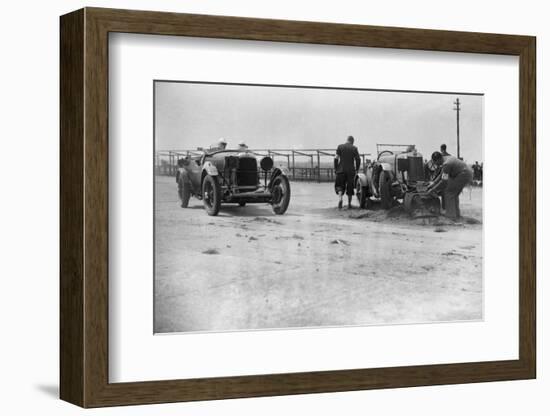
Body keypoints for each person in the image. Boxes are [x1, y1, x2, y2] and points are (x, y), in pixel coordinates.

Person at [427, 151, 473, 220]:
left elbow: (443, 181)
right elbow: (441, 175)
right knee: (454, 193)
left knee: (449, 192)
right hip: (467, 173)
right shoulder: (445, 159)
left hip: (463, 174)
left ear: (438, 159)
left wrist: (433, 190)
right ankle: (456, 214)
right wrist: (433, 183)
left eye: (435, 162)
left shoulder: (446, 164)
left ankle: (451, 216)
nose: (435, 164)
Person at [334, 135, 361, 209]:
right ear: (352, 141)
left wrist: (336, 168)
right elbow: (358, 159)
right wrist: (357, 169)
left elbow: (336, 158)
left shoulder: (340, 147)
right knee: (350, 187)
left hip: (340, 170)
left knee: (339, 186)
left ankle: (340, 199)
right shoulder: (354, 148)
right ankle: (349, 204)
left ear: (347, 140)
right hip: (350, 171)